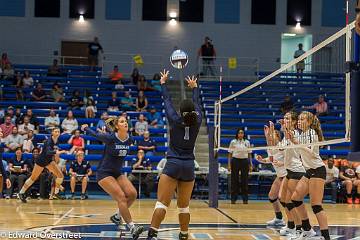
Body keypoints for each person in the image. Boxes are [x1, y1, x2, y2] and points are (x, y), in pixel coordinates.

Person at [147, 70, 202, 240]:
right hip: (188, 167)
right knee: (184, 207)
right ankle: (184, 235)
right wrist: (194, 87)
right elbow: (196, 102)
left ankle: (152, 235)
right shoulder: (198, 120)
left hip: (173, 164)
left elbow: (167, 100)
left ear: (180, 111)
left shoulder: (174, 119)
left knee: (162, 203)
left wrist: (163, 82)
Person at [81, 116, 144, 239]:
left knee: (132, 194)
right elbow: (96, 134)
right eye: (122, 122)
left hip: (117, 172)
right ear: (117, 126)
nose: (125, 123)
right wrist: (86, 128)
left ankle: (117, 216)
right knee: (121, 197)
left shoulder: (129, 139)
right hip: (104, 173)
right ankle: (132, 227)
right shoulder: (110, 138)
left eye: (126, 121)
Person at [286, 111, 329, 240]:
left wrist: (296, 142)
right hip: (309, 171)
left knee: (316, 205)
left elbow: (310, 153)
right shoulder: (302, 134)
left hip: (317, 170)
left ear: (309, 122)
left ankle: (326, 237)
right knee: (296, 198)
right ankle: (308, 230)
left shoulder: (311, 133)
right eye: (299, 119)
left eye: (303, 119)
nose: (299, 121)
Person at [276, 112, 306, 237]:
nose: (284, 120)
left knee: (293, 202)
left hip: (297, 170)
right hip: (290, 171)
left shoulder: (295, 134)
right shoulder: (286, 135)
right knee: (283, 200)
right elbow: (280, 149)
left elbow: (286, 145)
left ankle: (301, 228)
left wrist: (285, 129)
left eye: (287, 118)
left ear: (294, 121)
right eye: (284, 118)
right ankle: (292, 225)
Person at [18, 127, 67, 203]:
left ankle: (56, 193)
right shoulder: (48, 141)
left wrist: (57, 153)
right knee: (33, 178)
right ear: (52, 133)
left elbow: (53, 151)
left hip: (49, 161)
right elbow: (48, 152)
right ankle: (21, 193)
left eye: (58, 131)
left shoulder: (57, 141)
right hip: (41, 161)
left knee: (60, 176)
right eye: (56, 131)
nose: (57, 133)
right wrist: (58, 152)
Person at [255, 129, 286, 226]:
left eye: (273, 134)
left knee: (284, 198)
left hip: (287, 174)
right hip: (280, 175)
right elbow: (271, 159)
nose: (270, 136)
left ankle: (293, 222)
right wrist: (262, 160)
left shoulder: (282, 146)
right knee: (272, 196)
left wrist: (282, 163)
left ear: (278, 136)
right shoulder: (270, 148)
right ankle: (279, 218)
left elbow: (291, 160)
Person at [228, 128, 252, 204]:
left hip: (244, 161)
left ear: (244, 134)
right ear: (237, 134)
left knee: (244, 180)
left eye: (242, 133)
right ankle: (233, 199)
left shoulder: (247, 142)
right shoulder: (233, 142)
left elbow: (249, 154)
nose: (241, 134)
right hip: (235, 161)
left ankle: (245, 199)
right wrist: (229, 165)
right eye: (239, 133)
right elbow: (229, 154)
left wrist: (250, 164)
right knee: (234, 180)